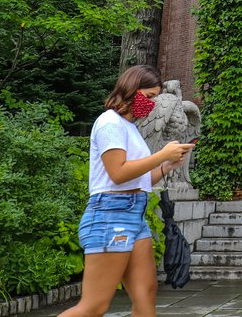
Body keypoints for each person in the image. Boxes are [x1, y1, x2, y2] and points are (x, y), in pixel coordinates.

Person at [60, 65, 194, 317]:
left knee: (145, 294)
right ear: (132, 90)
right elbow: (118, 173)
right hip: (110, 215)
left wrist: (166, 166)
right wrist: (161, 155)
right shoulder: (109, 123)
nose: (152, 105)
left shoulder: (129, 126)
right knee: (94, 306)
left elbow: (138, 180)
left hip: (133, 214)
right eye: (149, 97)